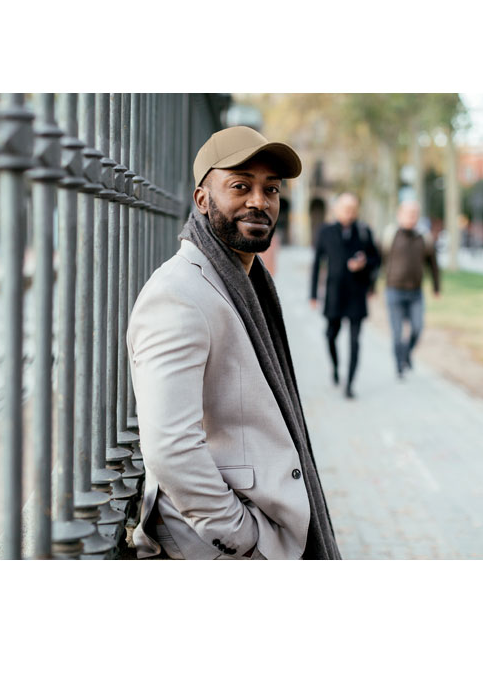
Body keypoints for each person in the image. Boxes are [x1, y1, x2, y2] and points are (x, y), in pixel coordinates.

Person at [127, 125, 341, 560]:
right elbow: (170, 447)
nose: (259, 201)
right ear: (202, 199)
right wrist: (241, 538)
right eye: (240, 186)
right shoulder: (178, 293)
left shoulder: (246, 284)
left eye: (271, 189)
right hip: (218, 547)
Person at [310, 193, 381, 399]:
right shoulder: (325, 232)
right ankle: (335, 367)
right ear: (336, 209)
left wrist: (364, 263)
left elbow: (376, 259)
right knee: (330, 335)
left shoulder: (364, 231)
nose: (349, 213)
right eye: (345, 208)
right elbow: (317, 263)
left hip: (357, 294)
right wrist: (313, 294)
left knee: (355, 341)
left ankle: (349, 384)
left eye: (352, 209)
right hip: (334, 294)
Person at [381, 199, 440, 378]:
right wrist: (371, 286)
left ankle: (406, 353)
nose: (411, 217)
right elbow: (379, 260)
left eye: (414, 214)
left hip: (415, 292)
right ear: (399, 215)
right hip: (394, 290)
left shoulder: (424, 237)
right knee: (397, 332)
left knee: (417, 328)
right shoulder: (390, 236)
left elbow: (433, 264)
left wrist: (436, 287)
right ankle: (399, 365)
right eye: (408, 213)